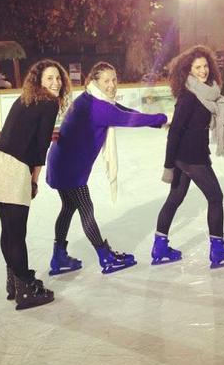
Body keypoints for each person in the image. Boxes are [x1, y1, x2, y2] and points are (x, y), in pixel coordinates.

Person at [46, 61, 168, 275]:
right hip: (69, 167)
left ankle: (58, 257)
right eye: (106, 81)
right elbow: (128, 118)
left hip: (62, 161)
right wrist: (163, 118)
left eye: (114, 79)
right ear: (94, 81)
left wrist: (157, 122)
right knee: (85, 208)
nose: (112, 85)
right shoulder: (97, 107)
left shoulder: (90, 98)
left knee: (68, 208)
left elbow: (120, 109)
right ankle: (105, 256)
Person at [0, 59, 71, 310]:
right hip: (13, 166)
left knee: (8, 230)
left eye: (58, 78)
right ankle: (25, 289)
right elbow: (41, 146)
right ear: (39, 81)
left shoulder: (26, 98)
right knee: (17, 233)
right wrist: (33, 179)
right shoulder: (49, 103)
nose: (55, 83)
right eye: (50, 78)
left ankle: (15, 281)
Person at [152, 45, 224, 269]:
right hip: (192, 157)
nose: (203, 71)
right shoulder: (189, 95)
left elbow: (223, 93)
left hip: (190, 155)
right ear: (188, 70)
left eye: (205, 66)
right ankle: (217, 251)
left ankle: (159, 247)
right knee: (215, 197)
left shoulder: (206, 92)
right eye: (197, 67)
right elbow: (175, 131)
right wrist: (168, 165)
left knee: (175, 199)